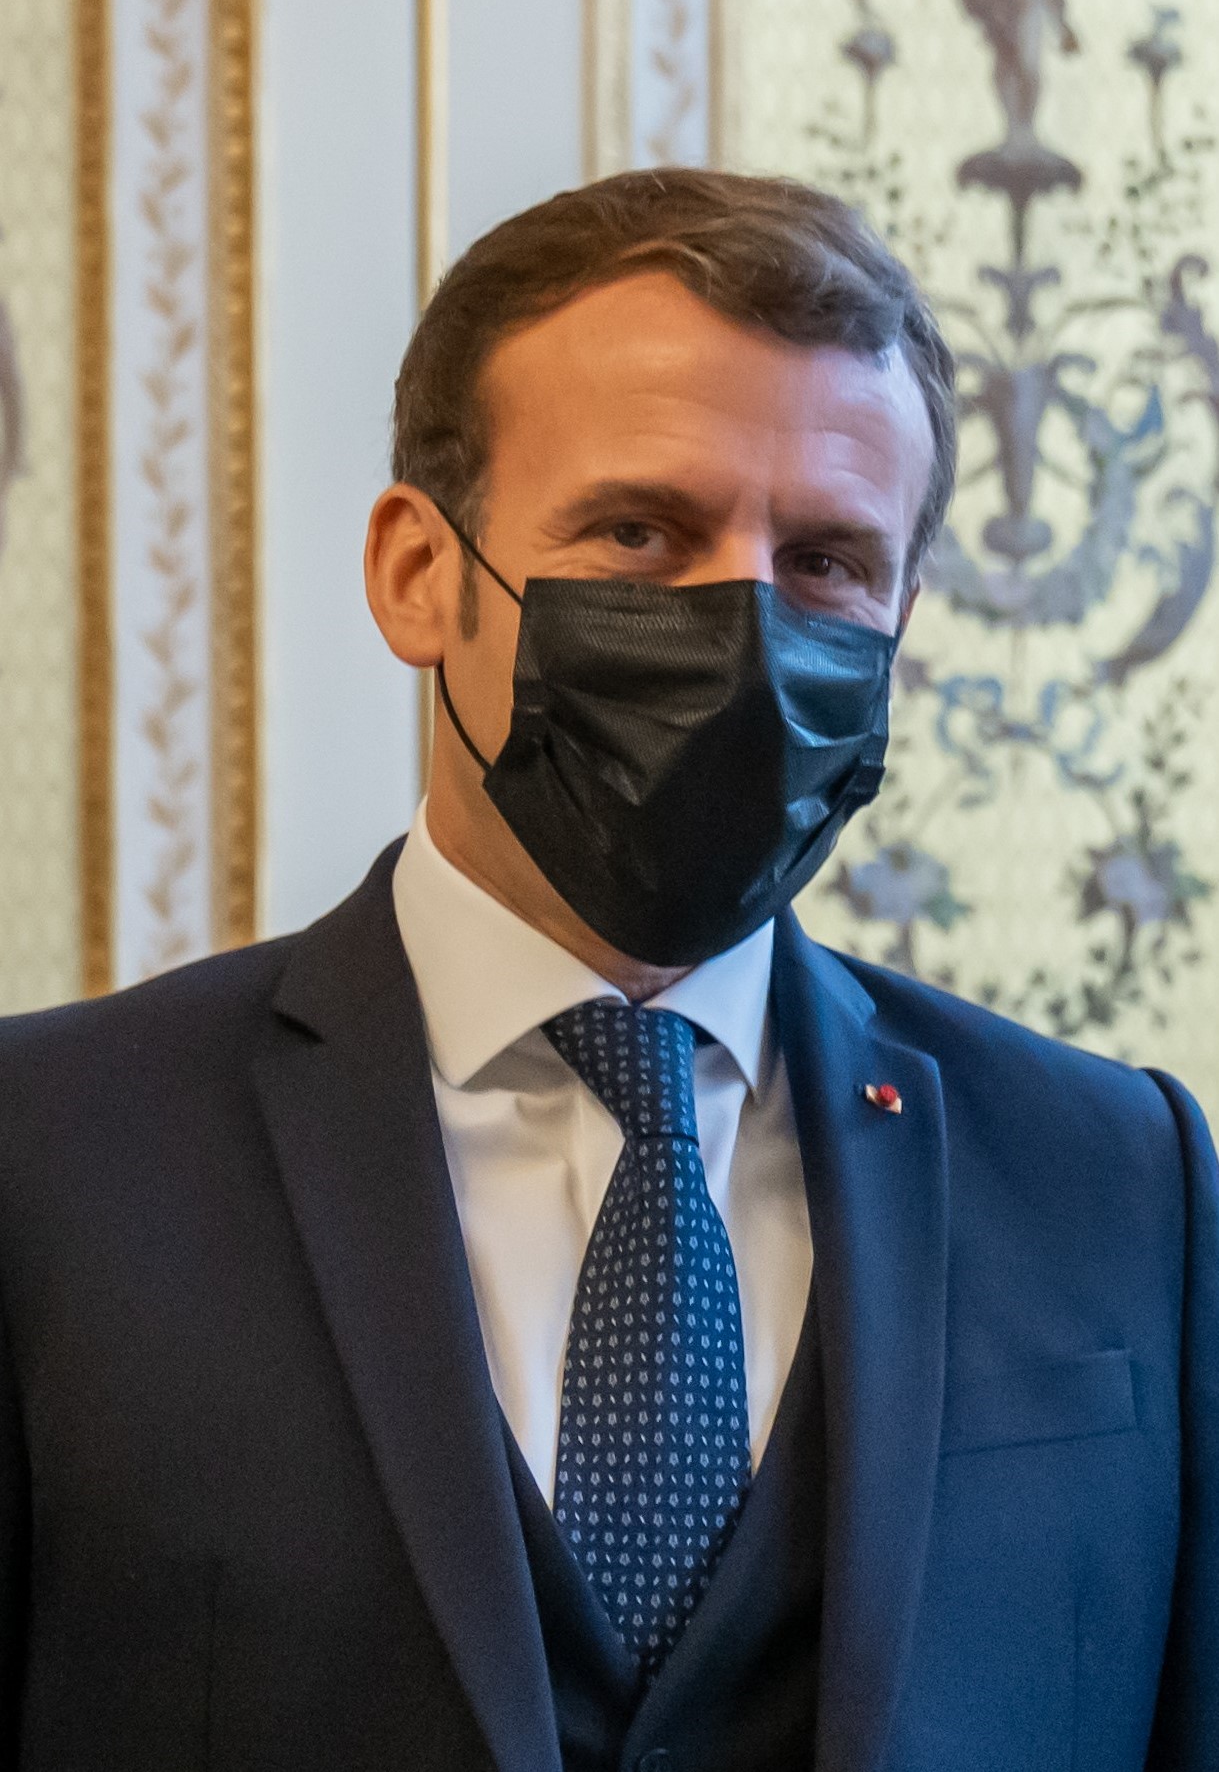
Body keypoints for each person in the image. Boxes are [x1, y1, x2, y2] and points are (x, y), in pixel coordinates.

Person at [0, 168, 1214, 1772]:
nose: (744, 632)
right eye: (641, 533)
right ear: (418, 574)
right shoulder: (47, 1152)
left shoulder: (1119, 1177)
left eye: (828, 563)